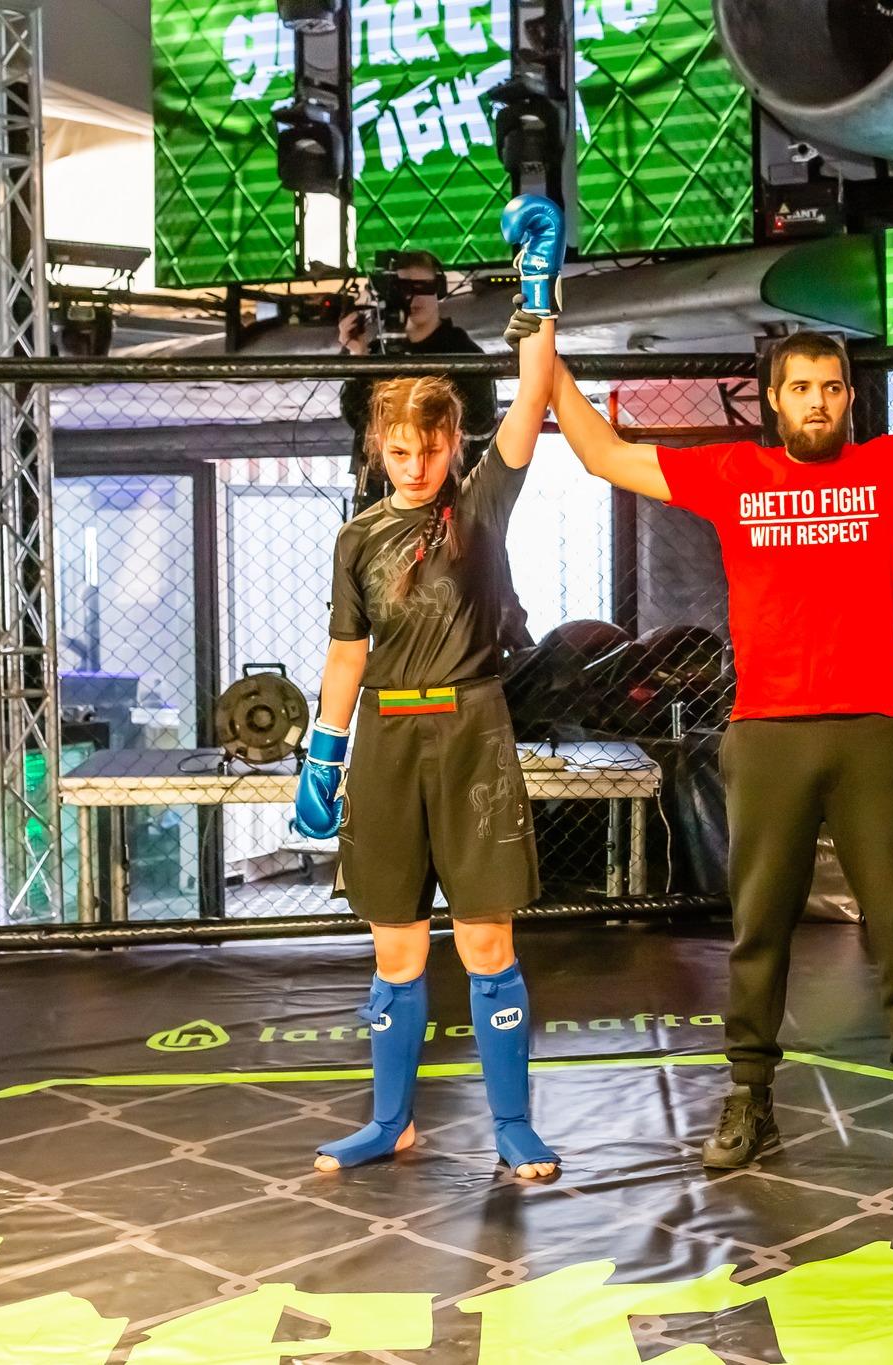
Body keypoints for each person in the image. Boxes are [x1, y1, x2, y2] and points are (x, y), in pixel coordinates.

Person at [540, 325, 893, 1175]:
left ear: (848, 397)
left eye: (831, 387)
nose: (818, 401)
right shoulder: (734, 473)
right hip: (768, 733)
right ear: (775, 401)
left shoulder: (888, 469)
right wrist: (542, 341)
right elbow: (602, 454)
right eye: (801, 388)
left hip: (872, 731)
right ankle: (750, 1095)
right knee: (758, 928)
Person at [292, 303, 558, 1180]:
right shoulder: (356, 538)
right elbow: (346, 651)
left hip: (473, 730)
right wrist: (323, 753)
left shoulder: (478, 507)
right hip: (386, 739)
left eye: (430, 449)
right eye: (401, 450)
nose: (415, 465)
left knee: (488, 945)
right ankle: (390, 1122)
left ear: (452, 443)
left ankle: (512, 1124)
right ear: (380, 447)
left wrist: (539, 300)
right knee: (395, 949)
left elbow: (532, 398)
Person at [338, 250, 497, 508]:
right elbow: (357, 419)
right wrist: (359, 355)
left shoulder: (463, 353)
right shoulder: (377, 352)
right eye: (403, 288)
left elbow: (482, 427)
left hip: (447, 493)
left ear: (439, 289)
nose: (413, 297)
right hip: (379, 495)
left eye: (422, 287)